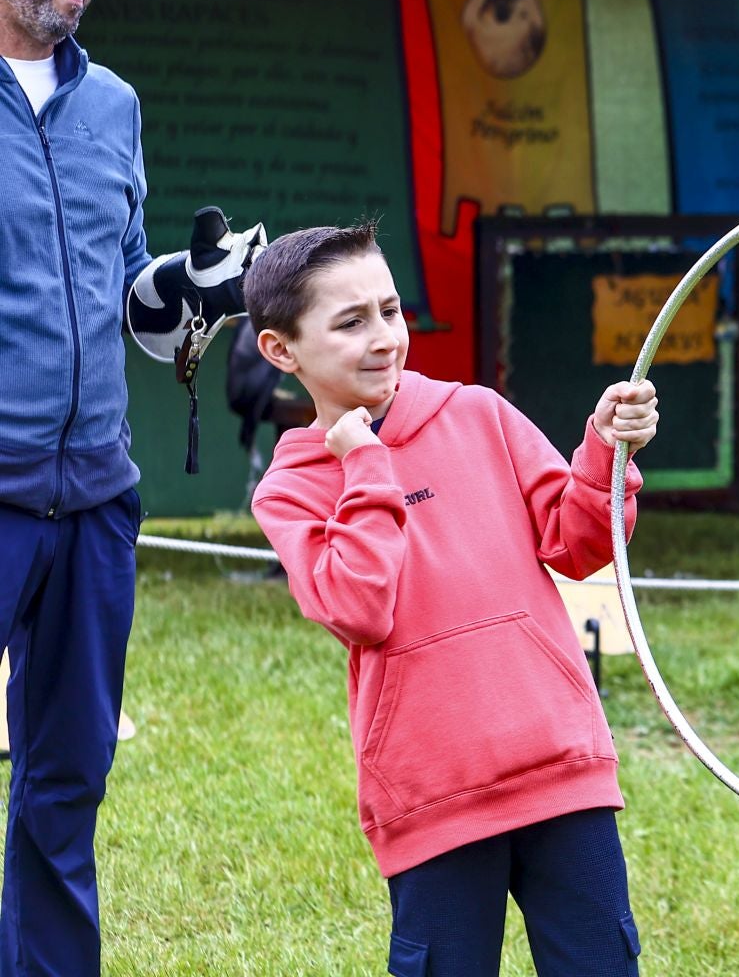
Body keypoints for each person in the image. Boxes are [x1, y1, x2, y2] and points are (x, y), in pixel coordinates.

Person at [247, 224, 658, 976]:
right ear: (282, 351)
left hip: (561, 767)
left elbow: (580, 541)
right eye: (350, 322)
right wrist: (366, 463)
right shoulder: (293, 489)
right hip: (431, 799)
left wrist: (605, 449)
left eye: (391, 311)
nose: (383, 339)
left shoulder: (477, 413)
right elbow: (361, 604)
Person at [0, 0, 264, 975]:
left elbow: (118, 291)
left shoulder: (115, 105)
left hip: (97, 496)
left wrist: (181, 292)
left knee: (68, 775)